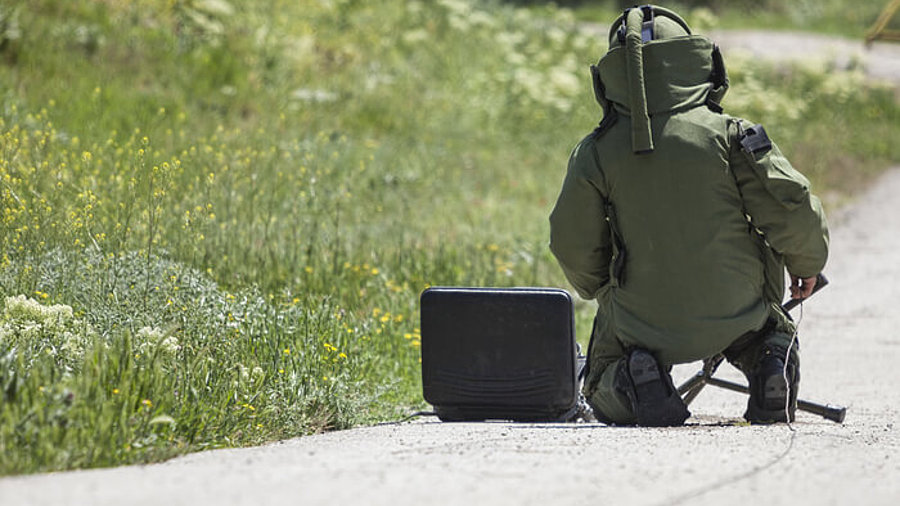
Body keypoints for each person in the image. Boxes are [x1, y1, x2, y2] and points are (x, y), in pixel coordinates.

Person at [549, 5, 829, 426]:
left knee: (600, 378)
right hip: (740, 309)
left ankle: (635, 381)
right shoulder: (732, 134)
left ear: (609, 74)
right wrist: (807, 265)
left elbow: (572, 242)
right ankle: (771, 366)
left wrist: (603, 291)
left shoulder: (595, 153)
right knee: (770, 331)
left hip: (640, 321)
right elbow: (790, 205)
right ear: (699, 61)